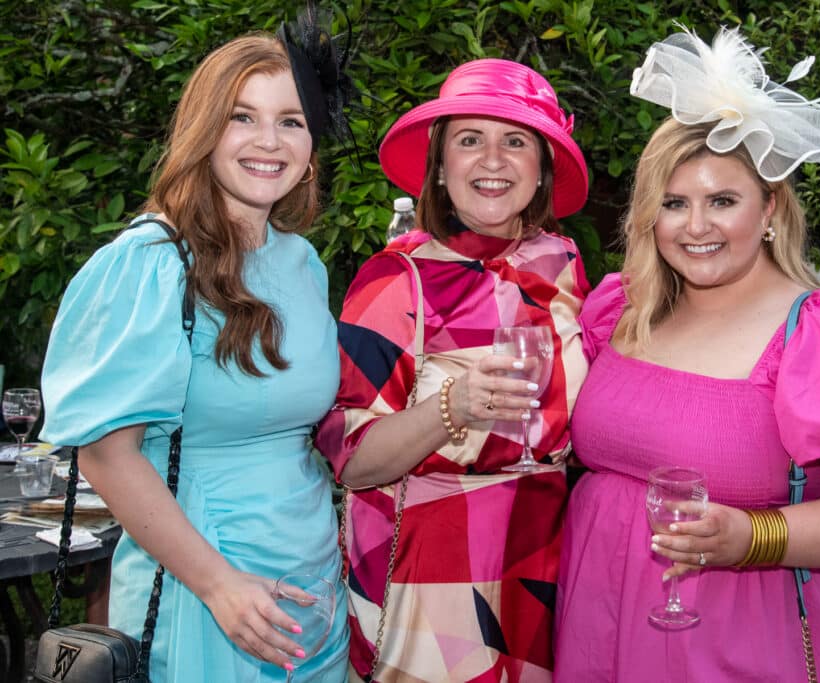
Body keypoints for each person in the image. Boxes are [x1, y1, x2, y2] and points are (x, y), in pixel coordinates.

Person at [554, 26, 820, 682]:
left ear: (769, 209)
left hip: (745, 639)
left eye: (722, 201)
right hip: (598, 621)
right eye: (674, 203)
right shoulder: (623, 308)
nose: (695, 226)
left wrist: (751, 537)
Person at [39, 9, 355, 681]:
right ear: (204, 130)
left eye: (291, 120)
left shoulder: (303, 263)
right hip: (206, 592)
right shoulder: (152, 263)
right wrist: (218, 584)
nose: (268, 141)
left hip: (312, 590)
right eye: (243, 117)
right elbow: (107, 455)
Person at [314, 58, 590, 681]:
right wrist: (452, 408)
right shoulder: (395, 280)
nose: (493, 160)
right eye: (470, 140)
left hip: (546, 562)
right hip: (434, 579)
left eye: (515, 141)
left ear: (542, 167)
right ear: (440, 166)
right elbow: (354, 461)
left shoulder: (561, 263)